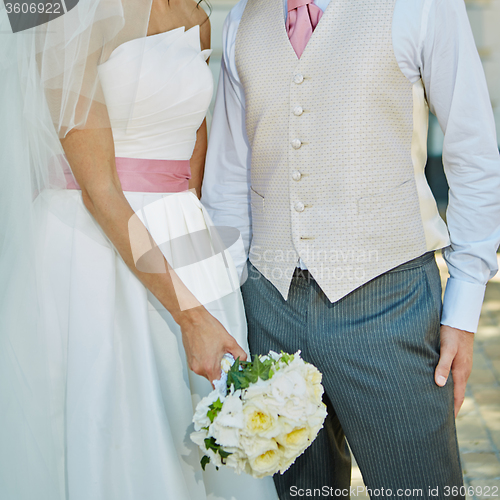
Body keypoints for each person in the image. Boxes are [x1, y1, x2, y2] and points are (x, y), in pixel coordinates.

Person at [202, 0, 500, 497]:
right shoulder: (241, 20)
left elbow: (472, 153)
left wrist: (464, 309)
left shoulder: (422, 7)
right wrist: (227, 313)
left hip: (391, 305)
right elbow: (230, 184)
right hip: (269, 311)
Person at [0, 0, 279, 498]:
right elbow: (100, 190)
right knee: (111, 432)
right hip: (88, 248)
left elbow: (193, 156)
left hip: (185, 239)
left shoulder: (198, 18)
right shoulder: (69, 17)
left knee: (203, 433)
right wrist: (189, 315)